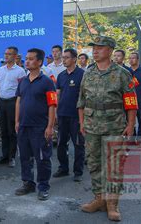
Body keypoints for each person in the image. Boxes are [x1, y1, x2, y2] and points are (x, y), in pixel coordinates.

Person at [77, 36, 137, 222]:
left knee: (113, 166)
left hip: (114, 126)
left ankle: (112, 204)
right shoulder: (88, 72)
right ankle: (99, 199)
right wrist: (82, 123)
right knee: (94, 164)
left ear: (110, 50)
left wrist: (130, 125)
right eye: (94, 48)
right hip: (92, 126)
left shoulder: (121, 73)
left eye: (100, 48)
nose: (95, 51)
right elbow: (81, 100)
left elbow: (130, 101)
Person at [15, 48, 57, 201]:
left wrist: (50, 126)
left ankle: (43, 186)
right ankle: (28, 183)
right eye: (26, 58)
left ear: (39, 62)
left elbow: (52, 105)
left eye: (31, 59)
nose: (27, 61)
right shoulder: (23, 81)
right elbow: (19, 101)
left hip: (40, 127)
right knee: (25, 157)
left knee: (42, 158)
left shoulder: (47, 82)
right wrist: (17, 121)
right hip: (24, 126)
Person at [53, 48, 85, 182]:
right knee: (61, 143)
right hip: (62, 115)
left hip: (76, 116)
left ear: (74, 59)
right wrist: (55, 112)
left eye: (66, 57)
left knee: (78, 144)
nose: (63, 60)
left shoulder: (82, 75)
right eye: (63, 57)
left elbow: (85, 97)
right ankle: (63, 168)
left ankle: (78, 171)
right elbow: (57, 95)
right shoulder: (61, 75)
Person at [0, 46, 26, 168]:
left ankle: (12, 156)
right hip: (1, 102)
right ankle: (4, 155)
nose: (6, 56)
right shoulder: (0, 70)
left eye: (9, 54)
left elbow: (22, 90)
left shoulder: (20, 71)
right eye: (5, 53)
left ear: (15, 56)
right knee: (3, 130)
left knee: (12, 131)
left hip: (13, 103)